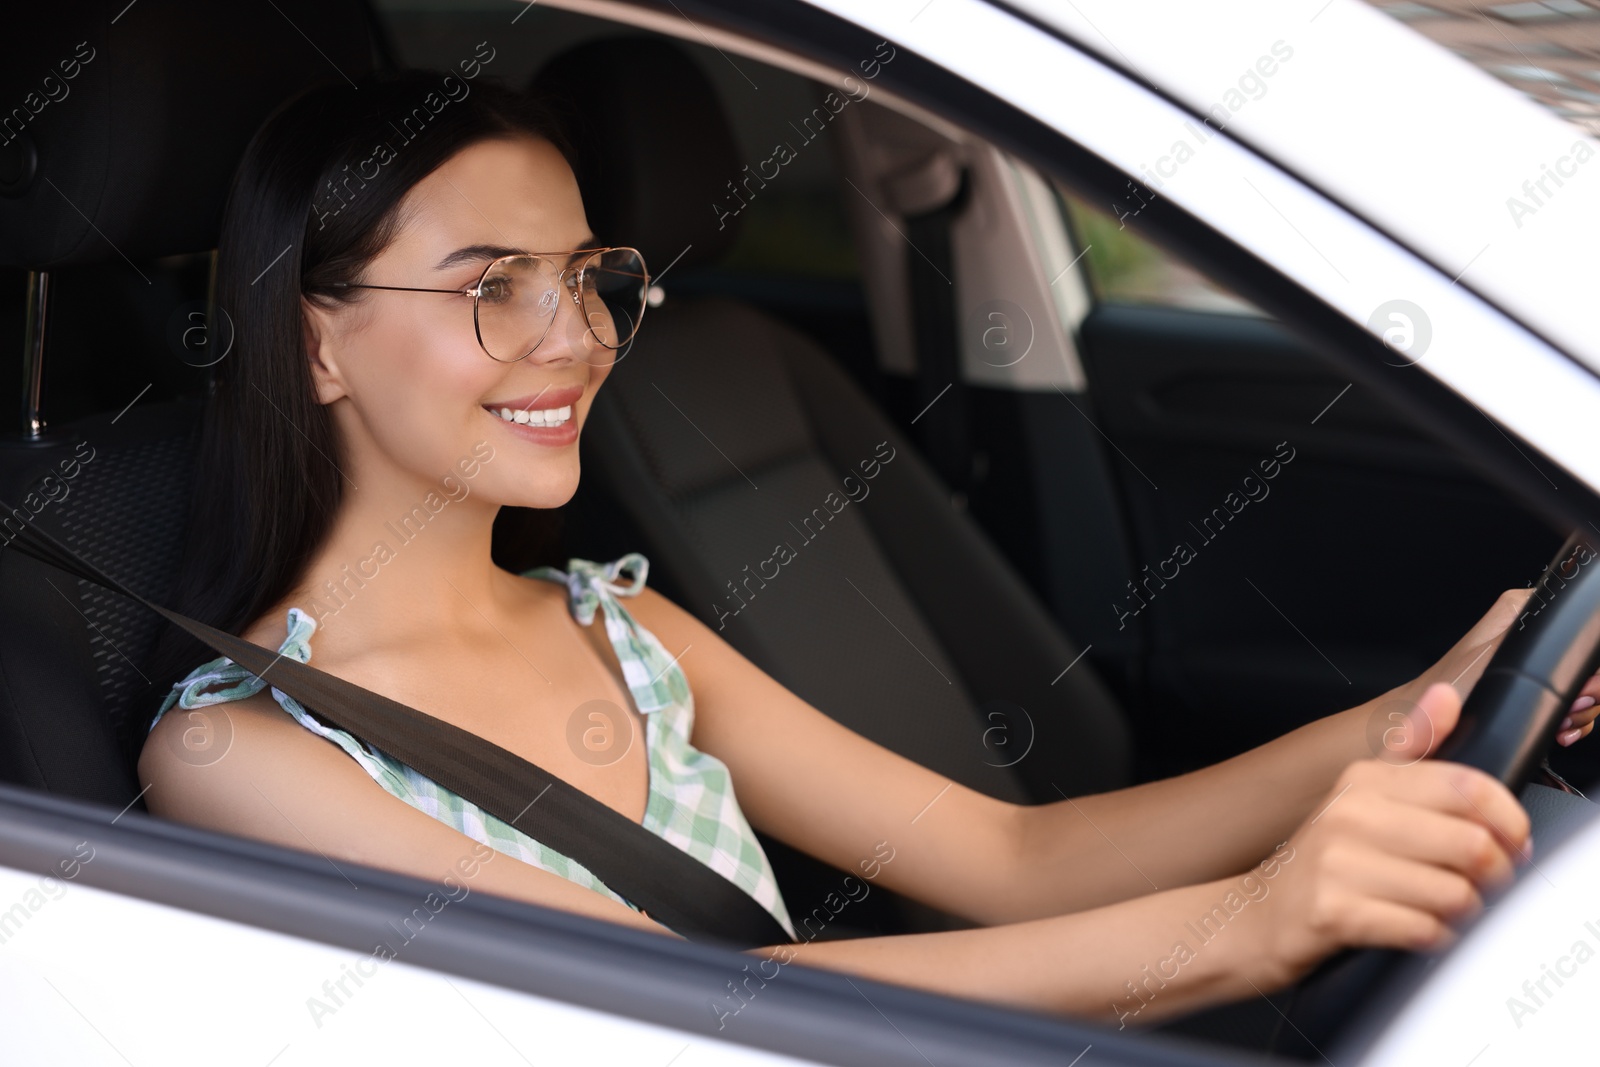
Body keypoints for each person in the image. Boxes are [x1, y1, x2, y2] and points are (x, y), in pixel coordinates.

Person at [136, 69, 1596, 1029]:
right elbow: (703, 1014)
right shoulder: (241, 757)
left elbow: (1017, 859)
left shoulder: (620, 635)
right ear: (316, 339)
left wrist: (1426, 709)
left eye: (589, 278)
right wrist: (1244, 930)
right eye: (491, 286)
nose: (577, 336)